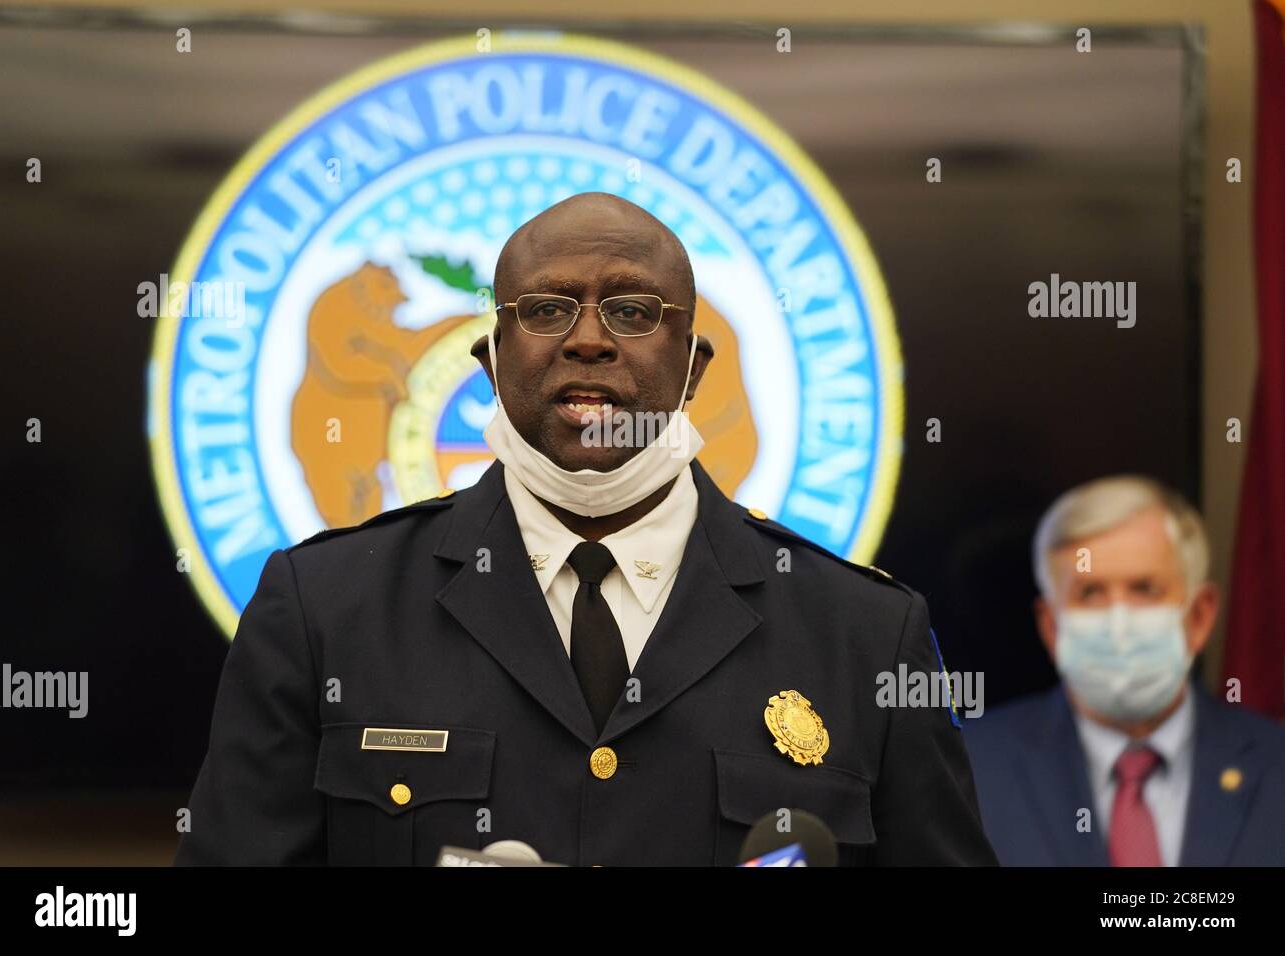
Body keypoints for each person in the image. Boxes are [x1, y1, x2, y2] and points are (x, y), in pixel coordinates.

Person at [175, 192, 995, 866]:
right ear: (491, 360)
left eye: (634, 309)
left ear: (694, 365)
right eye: (547, 309)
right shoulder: (324, 611)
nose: (591, 338)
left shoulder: (865, 635)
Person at [965, 475, 1285, 866]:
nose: (1119, 624)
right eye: (1090, 593)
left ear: (1199, 616)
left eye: (1145, 589)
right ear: (1051, 627)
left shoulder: (1276, 766)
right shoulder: (969, 774)